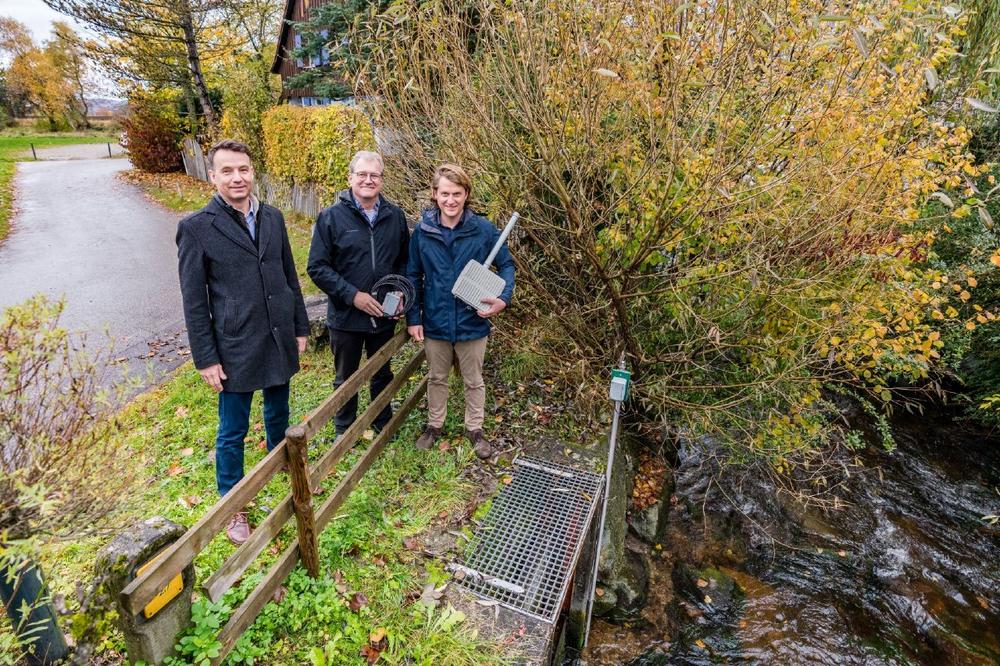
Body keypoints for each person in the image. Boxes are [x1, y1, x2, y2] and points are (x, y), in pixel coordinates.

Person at [176, 139, 309, 545]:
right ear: (213, 176)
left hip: (277, 334)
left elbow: (288, 276)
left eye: (244, 169)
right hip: (234, 345)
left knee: (278, 409)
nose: (238, 178)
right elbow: (194, 302)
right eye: (228, 171)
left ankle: (280, 460)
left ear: (253, 172)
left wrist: (299, 326)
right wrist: (205, 358)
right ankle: (232, 502)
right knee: (232, 429)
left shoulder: (272, 217)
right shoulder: (197, 228)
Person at [405, 164, 515, 459]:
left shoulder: (483, 230)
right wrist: (413, 317)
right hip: (436, 320)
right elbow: (413, 275)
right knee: (437, 378)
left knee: (473, 380)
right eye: (444, 194)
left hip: (472, 320)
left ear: (466, 194)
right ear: (434, 194)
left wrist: (503, 298)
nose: (450, 200)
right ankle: (434, 426)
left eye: (456, 193)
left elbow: (506, 264)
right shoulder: (423, 232)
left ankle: (475, 430)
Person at [307, 151, 410, 436]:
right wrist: (353, 296)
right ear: (350, 178)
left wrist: (399, 291)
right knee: (346, 377)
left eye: (374, 175)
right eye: (362, 174)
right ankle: (345, 429)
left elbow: (404, 260)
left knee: (382, 371)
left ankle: (382, 422)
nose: (368, 180)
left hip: (384, 312)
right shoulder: (331, 218)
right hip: (346, 316)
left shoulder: (395, 216)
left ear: (382, 180)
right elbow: (317, 267)